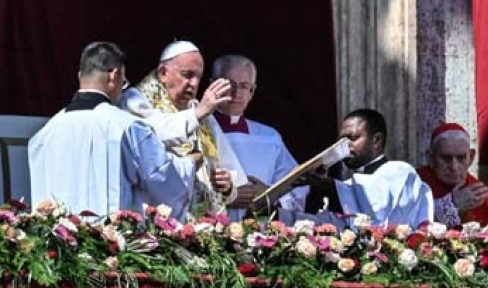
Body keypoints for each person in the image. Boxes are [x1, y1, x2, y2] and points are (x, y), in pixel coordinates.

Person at [29, 42, 229, 221]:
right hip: (109, 247)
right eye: (123, 83)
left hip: (59, 247)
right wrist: (189, 163)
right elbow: (161, 177)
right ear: (114, 75)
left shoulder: (44, 134)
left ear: (81, 76)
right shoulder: (127, 127)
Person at [119, 40, 245, 216]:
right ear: (163, 73)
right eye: (187, 75)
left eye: (198, 77)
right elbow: (153, 135)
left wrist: (227, 185)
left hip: (201, 224)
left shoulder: (199, 109)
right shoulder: (136, 101)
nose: (194, 84)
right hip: (157, 220)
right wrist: (198, 113)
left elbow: (230, 172)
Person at [298, 109, 433, 230]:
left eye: (353, 138)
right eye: (341, 141)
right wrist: (283, 217)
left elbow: (376, 208)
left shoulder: (400, 171)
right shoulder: (350, 187)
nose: (345, 146)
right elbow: (332, 224)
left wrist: (327, 184)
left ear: (376, 140)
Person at [209, 55, 307, 221]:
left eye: (243, 86)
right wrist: (225, 197)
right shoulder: (197, 130)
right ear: (213, 85)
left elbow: (296, 188)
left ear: (252, 92)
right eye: (229, 84)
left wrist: (268, 196)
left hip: (259, 236)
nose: (236, 93)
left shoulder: (269, 137)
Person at [417, 123, 488, 230]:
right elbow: (406, 226)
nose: (454, 167)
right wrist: (453, 205)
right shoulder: (414, 185)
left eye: (461, 158)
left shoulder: (481, 194)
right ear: (431, 158)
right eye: (446, 158)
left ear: (471, 157)